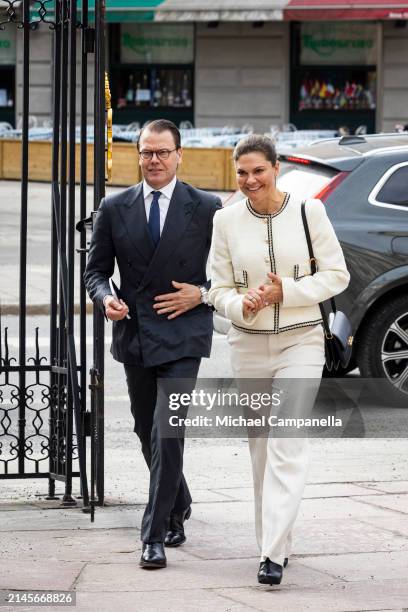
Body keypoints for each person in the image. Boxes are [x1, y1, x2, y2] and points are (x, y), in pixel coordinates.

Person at [209, 134, 350, 586]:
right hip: (247, 344)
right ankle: (275, 540)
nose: (250, 180)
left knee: (287, 441)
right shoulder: (225, 220)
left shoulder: (311, 211)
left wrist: (285, 291)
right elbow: (216, 289)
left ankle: (271, 555)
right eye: (242, 173)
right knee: (260, 449)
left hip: (302, 340)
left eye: (259, 171)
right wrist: (239, 304)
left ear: (275, 169)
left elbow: (336, 274)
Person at [84, 119, 221, 569]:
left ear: (180, 154)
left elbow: (227, 273)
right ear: (137, 155)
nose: (155, 160)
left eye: (163, 152)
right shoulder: (114, 206)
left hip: (184, 333)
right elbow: (96, 271)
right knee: (147, 429)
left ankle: (154, 534)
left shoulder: (206, 207)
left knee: (168, 430)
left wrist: (199, 294)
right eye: (147, 152)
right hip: (137, 333)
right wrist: (108, 300)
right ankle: (178, 501)